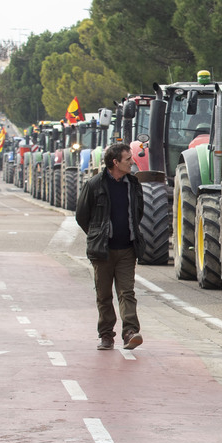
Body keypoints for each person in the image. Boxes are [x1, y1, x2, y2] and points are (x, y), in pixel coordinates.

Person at [75, 143, 146, 351]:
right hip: (102, 251)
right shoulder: (94, 185)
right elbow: (82, 216)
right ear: (115, 163)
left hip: (127, 249)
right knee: (104, 295)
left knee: (127, 292)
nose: (132, 162)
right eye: (127, 159)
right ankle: (106, 335)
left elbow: (138, 211)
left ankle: (130, 332)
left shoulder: (133, 184)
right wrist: (98, 235)